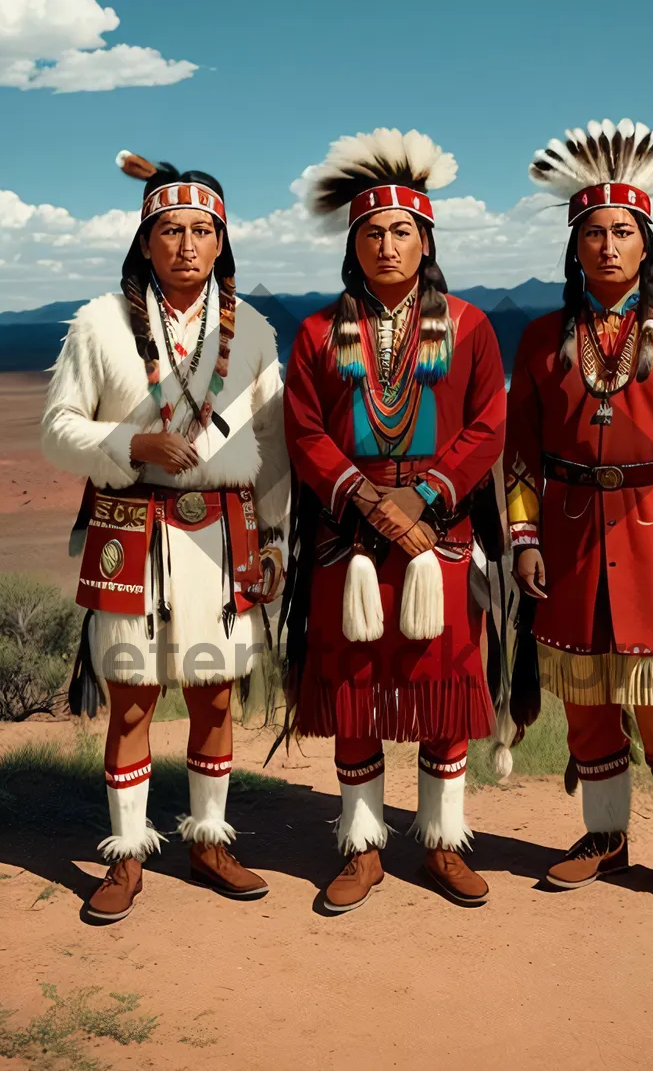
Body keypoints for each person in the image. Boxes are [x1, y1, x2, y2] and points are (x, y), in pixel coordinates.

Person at [42, 151, 288, 921]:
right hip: (132, 531)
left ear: (222, 242)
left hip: (223, 534)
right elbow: (57, 429)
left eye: (201, 231)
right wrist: (130, 446)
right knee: (133, 701)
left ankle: (210, 839)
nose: (186, 245)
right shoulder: (100, 323)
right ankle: (125, 854)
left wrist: (276, 538)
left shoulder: (250, 330)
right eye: (171, 230)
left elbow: (275, 445)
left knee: (215, 698)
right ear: (145, 242)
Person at [502, 119, 653, 920]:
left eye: (622, 233)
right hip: (565, 536)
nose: (607, 246)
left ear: (645, 245)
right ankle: (604, 838)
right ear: (574, 249)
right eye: (592, 233)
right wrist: (523, 540)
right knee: (587, 693)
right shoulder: (540, 339)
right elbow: (521, 454)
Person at [279, 129, 507, 912]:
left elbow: (488, 427)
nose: (386, 244)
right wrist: (371, 503)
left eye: (401, 231)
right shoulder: (315, 334)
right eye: (371, 232)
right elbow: (305, 432)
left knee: (441, 687)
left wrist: (428, 499)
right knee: (354, 689)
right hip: (350, 535)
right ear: (353, 244)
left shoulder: (471, 328)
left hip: (439, 534)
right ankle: (362, 845)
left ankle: (443, 843)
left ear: (426, 240)